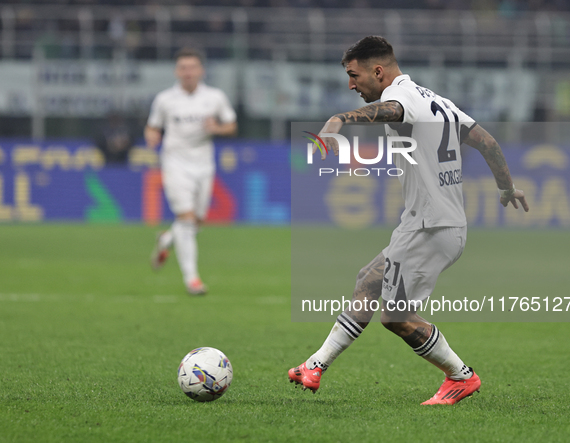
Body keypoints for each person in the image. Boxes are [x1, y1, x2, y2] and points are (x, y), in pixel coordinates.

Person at [288, 36, 529, 405]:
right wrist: (507, 188)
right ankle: (314, 366)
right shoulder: (438, 100)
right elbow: (487, 141)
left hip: (431, 227)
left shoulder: (405, 100)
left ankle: (461, 376)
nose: (351, 85)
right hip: (429, 224)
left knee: (396, 317)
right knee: (368, 280)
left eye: (354, 76)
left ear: (378, 71)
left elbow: (391, 112)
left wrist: (337, 120)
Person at [145, 47, 237, 295]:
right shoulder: (165, 99)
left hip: (203, 165)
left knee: (195, 221)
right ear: (177, 71)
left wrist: (216, 128)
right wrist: (152, 136)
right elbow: (152, 127)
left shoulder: (214, 97)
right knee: (186, 219)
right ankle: (192, 279)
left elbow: (231, 125)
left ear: (201, 70)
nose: (188, 72)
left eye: (192, 67)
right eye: (183, 68)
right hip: (174, 163)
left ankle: (166, 239)